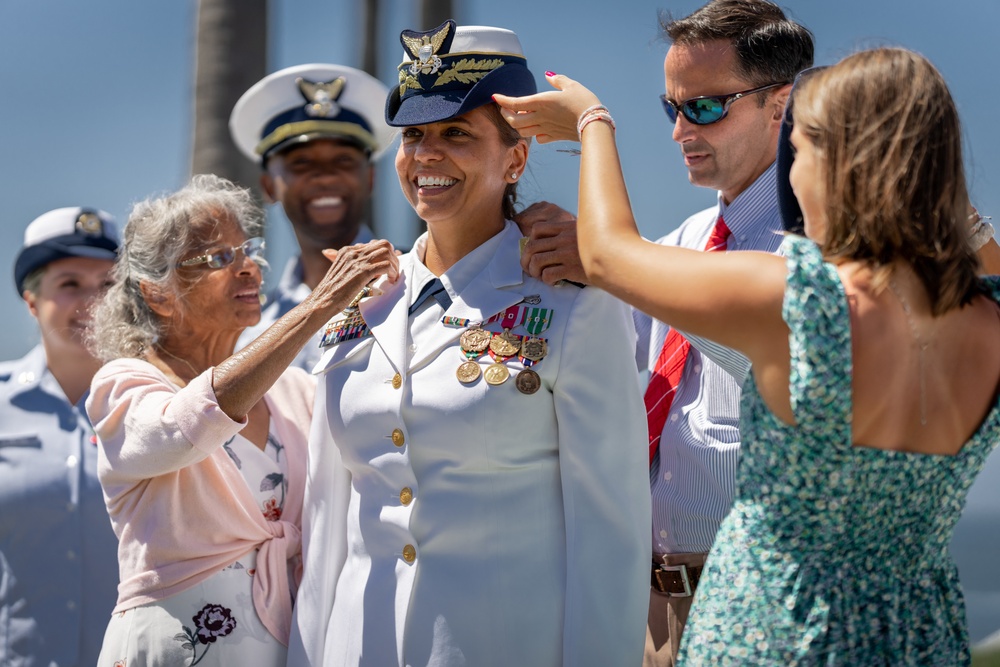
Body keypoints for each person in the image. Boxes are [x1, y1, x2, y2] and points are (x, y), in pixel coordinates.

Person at [498, 44, 1000, 665]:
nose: (793, 174)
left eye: (804, 152)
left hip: (775, 630)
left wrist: (591, 121)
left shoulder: (796, 294)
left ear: (843, 163)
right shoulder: (988, 315)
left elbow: (605, 255)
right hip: (918, 635)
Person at [288, 21, 650, 667]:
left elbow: (610, 527)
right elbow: (326, 521)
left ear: (515, 157)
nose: (427, 154)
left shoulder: (573, 301)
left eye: (456, 133)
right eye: (414, 136)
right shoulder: (359, 300)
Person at [515, 2, 813, 663]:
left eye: (705, 107)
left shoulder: (814, 249)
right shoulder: (679, 244)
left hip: (767, 609)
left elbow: (629, 266)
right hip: (651, 613)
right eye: (670, 107)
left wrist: (604, 250)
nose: (680, 131)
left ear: (783, 104)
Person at [84, 174, 397, 666]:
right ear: (158, 293)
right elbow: (179, 430)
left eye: (247, 250)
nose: (249, 269)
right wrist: (317, 307)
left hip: (287, 644)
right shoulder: (123, 384)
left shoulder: (296, 391)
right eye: (218, 258)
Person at [0, 207, 120, 666]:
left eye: (107, 286)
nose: (91, 301)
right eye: (70, 284)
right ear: (32, 302)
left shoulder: (157, 405)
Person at [230, 63, 396, 370]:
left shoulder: (418, 285)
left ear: (370, 179)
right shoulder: (251, 332)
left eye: (344, 160)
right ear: (269, 186)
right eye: (302, 163)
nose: (325, 176)